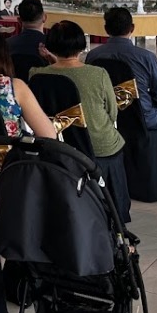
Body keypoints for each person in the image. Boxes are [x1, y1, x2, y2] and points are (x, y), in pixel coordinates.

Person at [30, 20, 129, 222]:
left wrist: (52, 62)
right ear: (82, 45)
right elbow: (113, 113)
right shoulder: (97, 74)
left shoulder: (36, 74)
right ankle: (117, 217)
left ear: (49, 47)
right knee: (114, 142)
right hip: (100, 147)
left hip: (60, 149)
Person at [85, 7, 157, 142]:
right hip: (143, 116)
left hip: (107, 117)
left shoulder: (93, 56)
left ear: (106, 29)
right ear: (132, 28)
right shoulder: (146, 57)